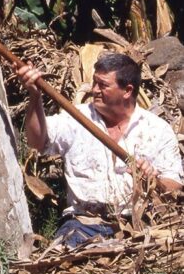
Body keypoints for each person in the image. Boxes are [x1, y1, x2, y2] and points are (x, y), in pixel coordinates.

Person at [16, 53, 183, 247]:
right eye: (94, 83)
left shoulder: (157, 129)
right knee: (64, 257)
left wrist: (151, 180)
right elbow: (37, 141)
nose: (94, 90)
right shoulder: (76, 117)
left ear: (127, 91)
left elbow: (174, 185)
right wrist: (35, 96)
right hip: (83, 223)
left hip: (139, 225)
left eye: (103, 85)